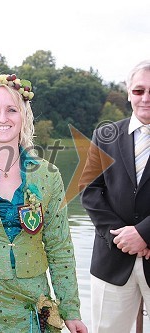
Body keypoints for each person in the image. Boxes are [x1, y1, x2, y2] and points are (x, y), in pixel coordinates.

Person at [0, 73, 87, 333]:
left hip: (33, 304)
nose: (3, 118)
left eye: (12, 110)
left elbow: (59, 247)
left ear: (24, 117)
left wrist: (71, 310)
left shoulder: (49, 175)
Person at [79, 59, 150, 332]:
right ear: (128, 91)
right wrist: (122, 237)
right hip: (112, 259)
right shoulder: (105, 135)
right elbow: (90, 191)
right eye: (139, 90)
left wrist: (144, 234)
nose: (145, 98)